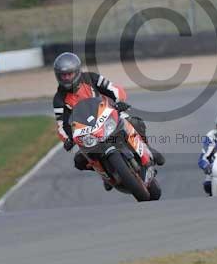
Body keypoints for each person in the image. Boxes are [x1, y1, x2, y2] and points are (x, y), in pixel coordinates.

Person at [52, 52, 165, 188]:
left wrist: (119, 102)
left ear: (76, 72)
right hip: (87, 132)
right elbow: (61, 124)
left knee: (135, 123)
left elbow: (111, 88)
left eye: (69, 74)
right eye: (63, 75)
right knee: (79, 161)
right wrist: (68, 139)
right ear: (58, 76)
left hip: (108, 114)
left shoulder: (90, 78)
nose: (67, 78)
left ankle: (147, 148)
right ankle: (106, 172)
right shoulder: (59, 99)